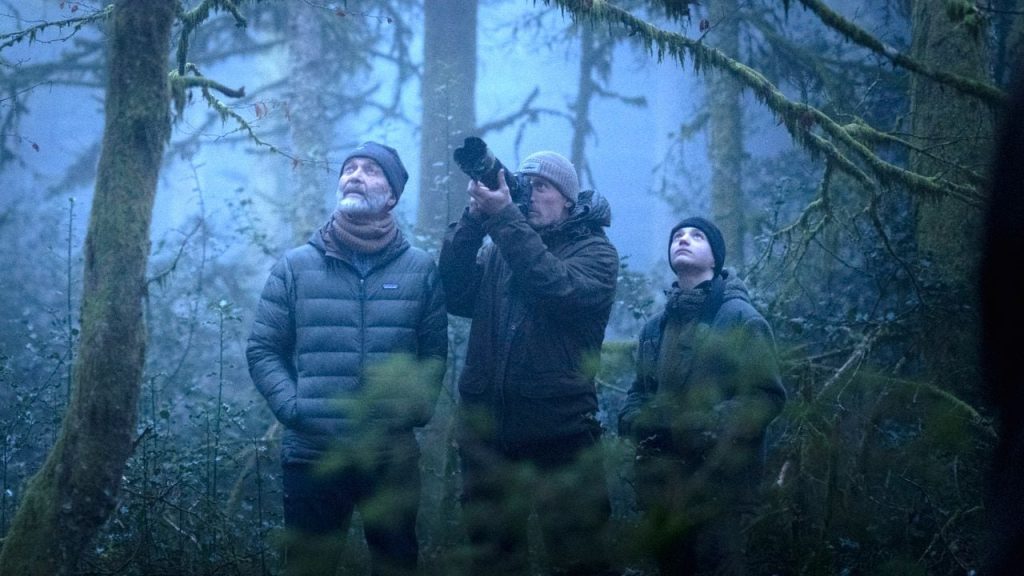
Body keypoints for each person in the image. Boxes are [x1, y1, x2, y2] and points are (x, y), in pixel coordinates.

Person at [246, 141, 448, 576]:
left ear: (392, 195)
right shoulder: (296, 266)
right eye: (349, 168)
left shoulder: (420, 269)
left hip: (390, 457)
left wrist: (417, 407)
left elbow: (432, 352)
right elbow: (263, 349)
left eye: (371, 170)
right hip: (313, 455)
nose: (355, 175)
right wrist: (293, 408)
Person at [439, 150, 620, 575]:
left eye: (542, 187)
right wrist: (473, 219)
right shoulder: (503, 248)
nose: (531, 195)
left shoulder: (596, 253)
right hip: (488, 436)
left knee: (581, 561)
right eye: (525, 187)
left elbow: (555, 288)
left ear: (568, 200)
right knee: (493, 563)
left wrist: (504, 220)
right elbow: (455, 292)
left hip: (561, 434)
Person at [618, 217, 786, 576]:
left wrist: (709, 425)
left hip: (720, 487)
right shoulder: (655, 327)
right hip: (663, 486)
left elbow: (766, 395)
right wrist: (636, 422)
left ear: (715, 259)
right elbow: (639, 392)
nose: (683, 239)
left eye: (696, 236)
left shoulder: (742, 318)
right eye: (677, 236)